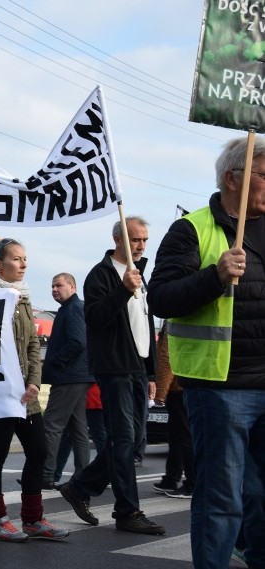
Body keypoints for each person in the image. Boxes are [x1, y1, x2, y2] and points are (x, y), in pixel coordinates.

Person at [147, 136, 265, 568]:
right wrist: (214, 277)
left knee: (258, 496)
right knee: (221, 496)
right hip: (220, 388)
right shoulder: (192, 229)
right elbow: (159, 299)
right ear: (235, 179)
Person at [58, 216, 165, 535]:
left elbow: (145, 325)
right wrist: (122, 290)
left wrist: (150, 372)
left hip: (136, 366)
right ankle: (127, 511)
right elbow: (96, 319)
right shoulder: (101, 275)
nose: (142, 245)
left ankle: (80, 487)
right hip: (114, 367)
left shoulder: (139, 275)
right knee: (123, 439)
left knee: (129, 441)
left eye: (145, 239)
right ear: (117, 239)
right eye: (135, 239)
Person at [0, 239, 68, 542]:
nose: (24, 264)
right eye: (17, 259)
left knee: (39, 451)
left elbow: (31, 346)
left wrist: (34, 381)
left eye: (25, 258)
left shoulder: (24, 298)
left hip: (26, 396)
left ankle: (32, 518)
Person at [40, 273, 93, 490]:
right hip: (77, 376)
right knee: (78, 429)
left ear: (72, 286)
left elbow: (77, 342)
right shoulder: (70, 309)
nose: (54, 289)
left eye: (58, 285)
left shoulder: (73, 309)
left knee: (51, 425)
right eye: (52, 286)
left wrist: (54, 362)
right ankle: (83, 477)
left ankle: (45, 476)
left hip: (69, 377)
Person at [151, 322, 193, 499]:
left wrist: (160, 392)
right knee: (176, 435)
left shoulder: (174, 321)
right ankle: (171, 478)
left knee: (183, 436)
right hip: (184, 384)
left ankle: (192, 483)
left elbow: (167, 357)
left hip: (178, 387)